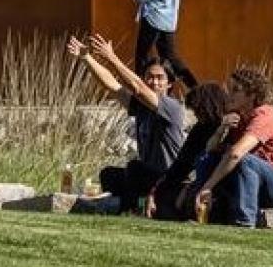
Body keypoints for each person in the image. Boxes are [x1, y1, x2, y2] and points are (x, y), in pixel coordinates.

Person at [67, 33, 185, 213]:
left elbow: (138, 87)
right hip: (147, 175)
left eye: (160, 78)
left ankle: (131, 210)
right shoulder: (141, 106)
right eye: (150, 77)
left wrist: (112, 57)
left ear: (169, 84)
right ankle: (130, 207)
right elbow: (112, 86)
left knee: (135, 168)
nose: (154, 82)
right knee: (109, 174)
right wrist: (86, 58)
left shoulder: (172, 107)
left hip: (168, 179)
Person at [194, 66, 273, 227]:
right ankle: (203, 214)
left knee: (245, 161)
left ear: (252, 95)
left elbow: (236, 154)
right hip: (254, 181)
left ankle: (244, 223)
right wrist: (221, 128)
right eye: (229, 89)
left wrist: (208, 186)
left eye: (235, 90)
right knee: (207, 159)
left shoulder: (263, 116)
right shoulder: (238, 118)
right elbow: (209, 149)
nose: (229, 95)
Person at [145, 82, 229, 220]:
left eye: (198, 110)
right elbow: (181, 164)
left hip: (218, 186)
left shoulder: (228, 125)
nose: (196, 115)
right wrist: (155, 191)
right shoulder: (200, 129)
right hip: (196, 183)